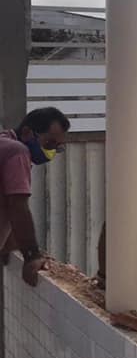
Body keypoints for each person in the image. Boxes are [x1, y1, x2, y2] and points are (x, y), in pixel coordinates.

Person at [0, 107, 70, 286]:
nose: (51, 151)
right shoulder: (17, 151)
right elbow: (17, 206)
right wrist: (31, 255)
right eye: (49, 143)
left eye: (57, 147)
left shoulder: (4, 144)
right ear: (27, 132)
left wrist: (8, 241)